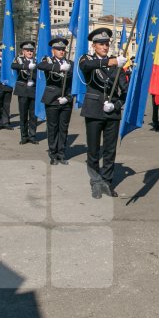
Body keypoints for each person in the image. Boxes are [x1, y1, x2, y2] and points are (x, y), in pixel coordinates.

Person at [79, 27, 128, 198]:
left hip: (112, 112)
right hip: (93, 110)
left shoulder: (117, 64)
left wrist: (117, 104)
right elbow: (86, 66)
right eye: (101, 44)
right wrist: (110, 62)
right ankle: (95, 181)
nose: (105, 47)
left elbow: (126, 89)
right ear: (94, 46)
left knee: (110, 149)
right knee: (93, 149)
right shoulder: (87, 59)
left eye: (107, 44)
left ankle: (107, 182)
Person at [37, 38, 73, 165]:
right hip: (52, 99)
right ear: (53, 51)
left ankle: (61, 153)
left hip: (66, 100)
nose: (61, 51)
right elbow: (40, 66)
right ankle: (53, 153)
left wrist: (68, 98)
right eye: (58, 49)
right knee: (52, 127)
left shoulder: (69, 63)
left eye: (63, 49)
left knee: (63, 128)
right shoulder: (48, 61)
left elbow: (73, 83)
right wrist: (58, 67)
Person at [11, 41, 38, 144]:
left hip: (33, 90)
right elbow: (13, 66)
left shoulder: (36, 60)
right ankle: (24, 136)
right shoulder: (19, 60)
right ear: (23, 51)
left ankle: (32, 136)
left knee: (33, 115)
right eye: (27, 51)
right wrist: (26, 67)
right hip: (22, 90)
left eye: (31, 50)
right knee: (23, 114)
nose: (30, 52)